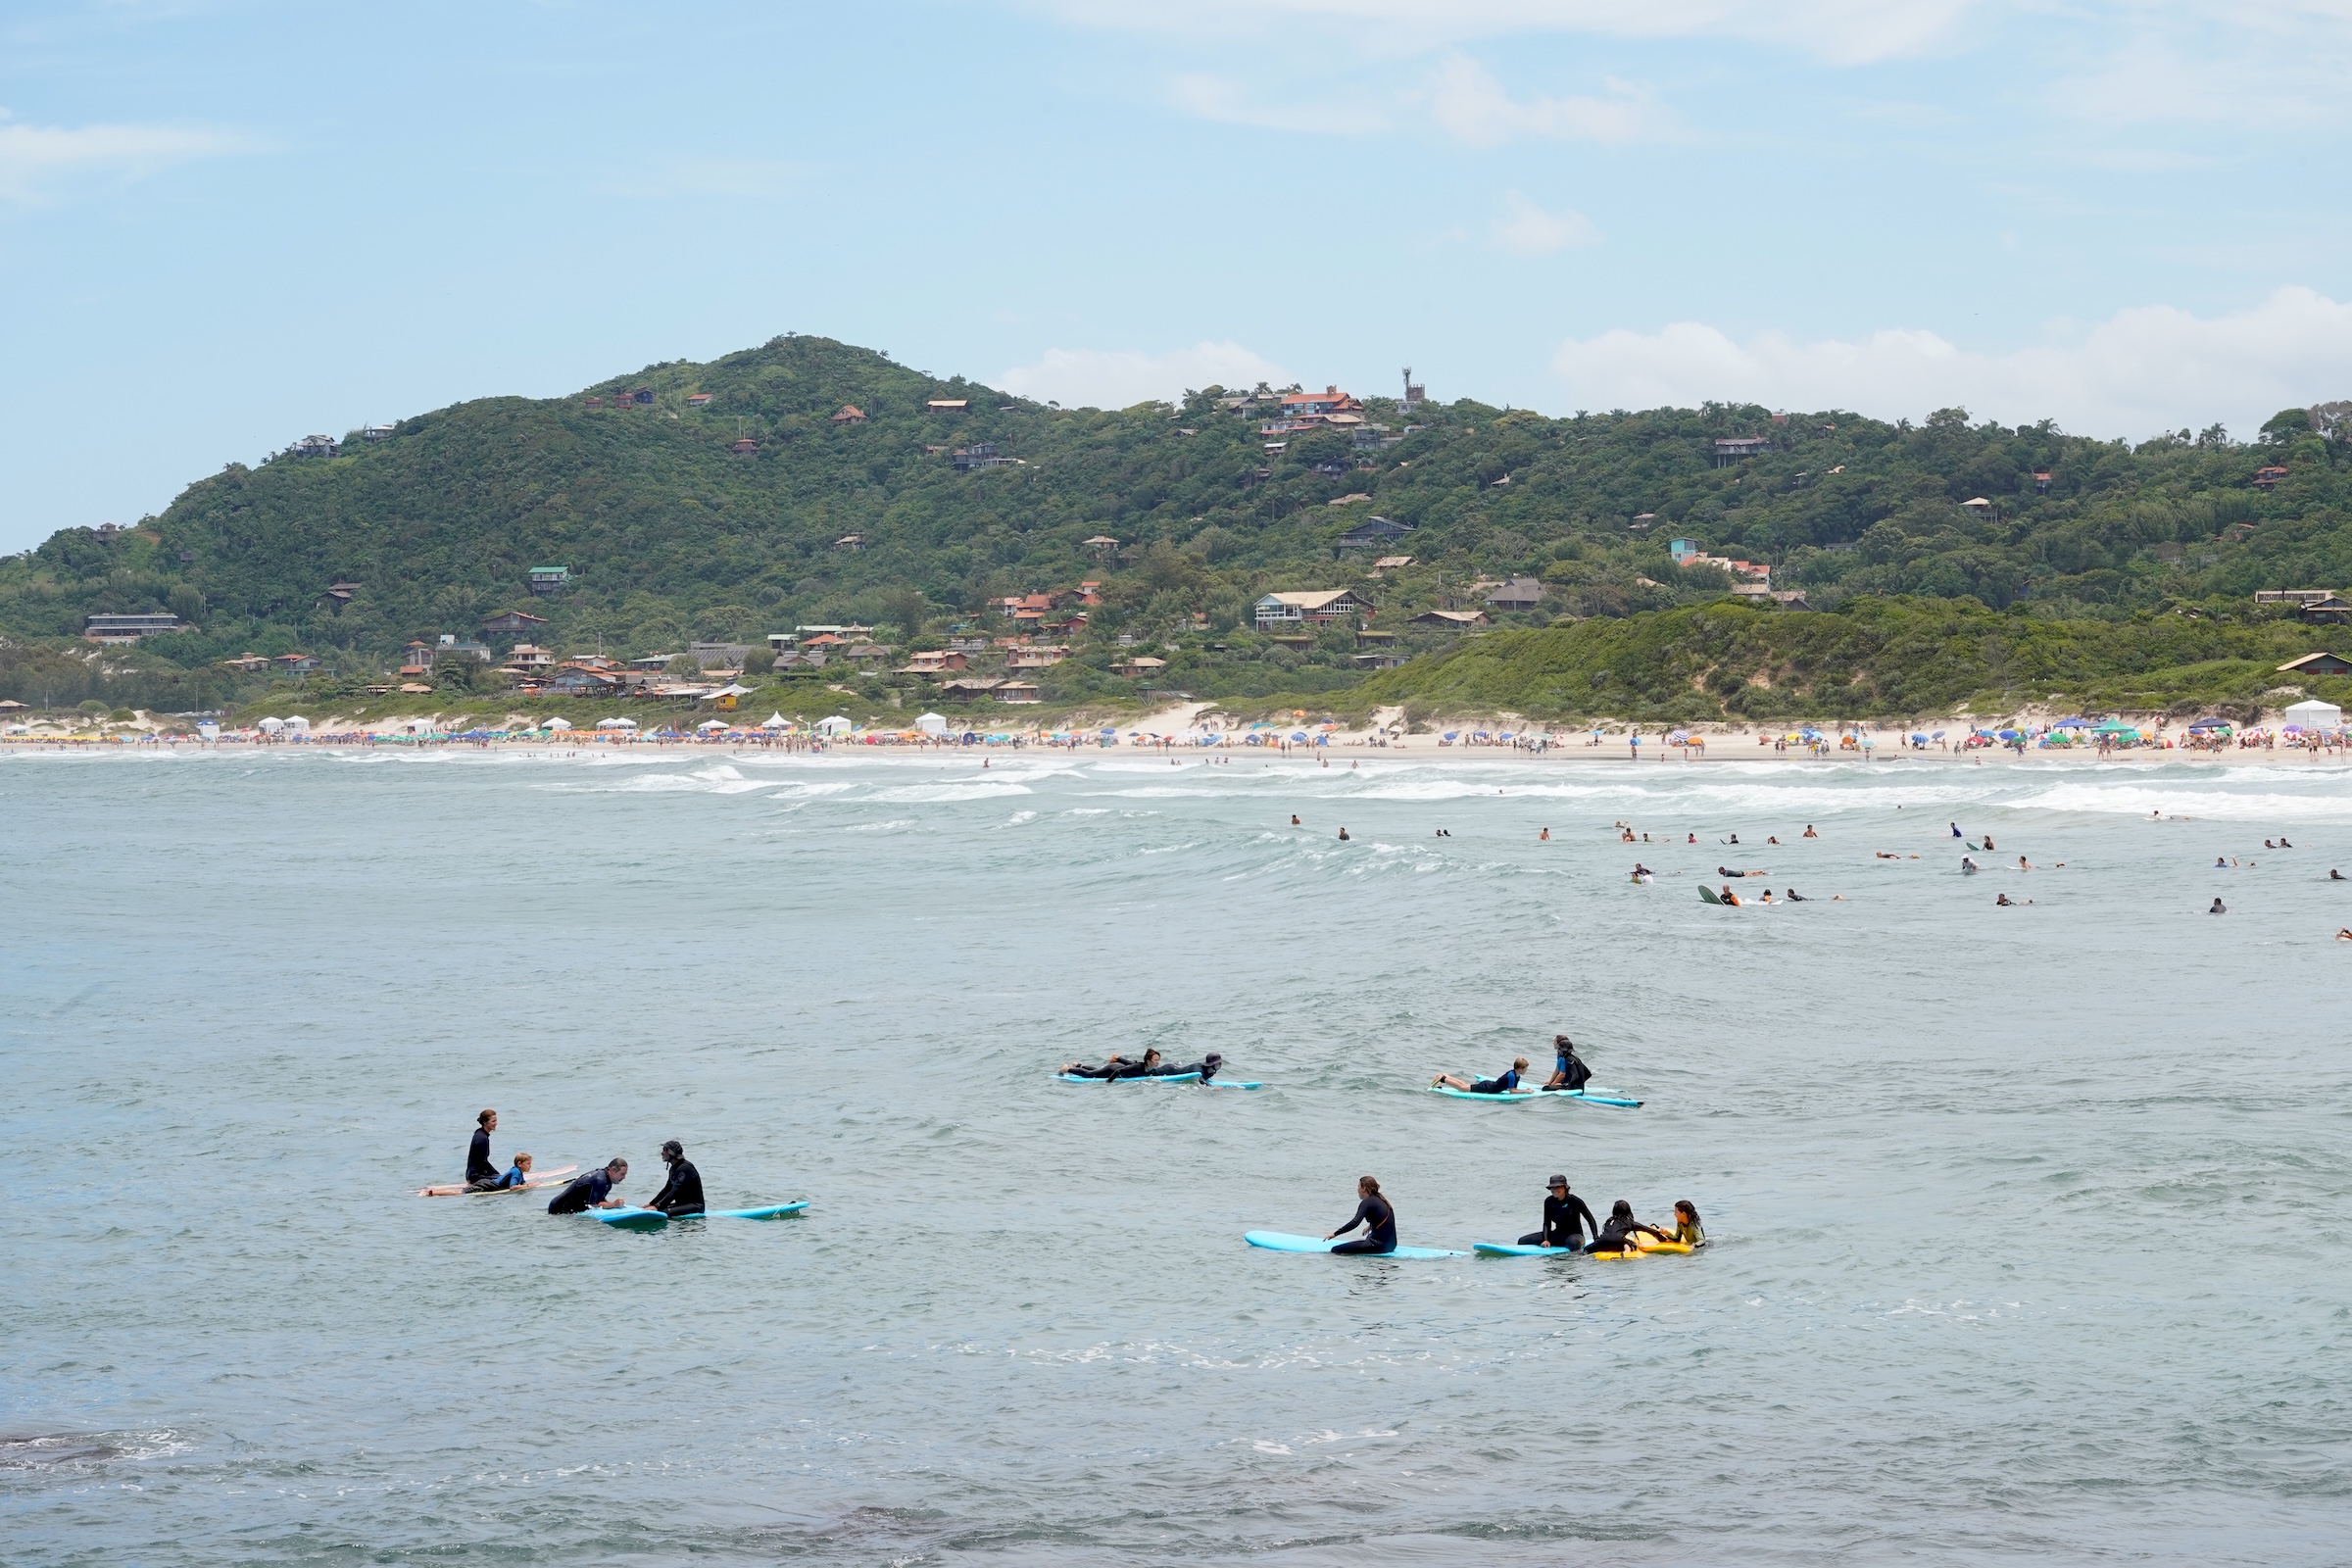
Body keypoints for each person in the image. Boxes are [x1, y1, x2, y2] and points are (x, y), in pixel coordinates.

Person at [1519, 1175, 1597, 1249]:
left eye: (1558, 1187)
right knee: (1522, 1241)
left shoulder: (1575, 1201)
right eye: (1552, 1187)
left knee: (1574, 1243)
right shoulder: (1549, 1201)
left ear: (1565, 1187)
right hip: (1557, 1234)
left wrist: (1596, 1238)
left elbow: (1590, 1219)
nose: (1555, 1190)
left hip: (1574, 1236)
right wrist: (1545, 1239)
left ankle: (1574, 1258)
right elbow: (1547, 1223)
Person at [1326, 1175, 1396, 1254]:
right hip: (1392, 1245)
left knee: (1335, 1250)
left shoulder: (1367, 1202)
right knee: (1369, 1236)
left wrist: (1335, 1234)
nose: (1357, 1189)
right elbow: (1383, 1217)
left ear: (1364, 1188)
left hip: (1379, 1246)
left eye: (1358, 1186)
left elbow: (1354, 1223)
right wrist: (1370, 1226)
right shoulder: (1381, 1199)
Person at [1586, 1200, 1672, 1254]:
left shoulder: (1609, 1220)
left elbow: (1608, 1233)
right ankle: (1627, 1250)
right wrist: (1662, 1239)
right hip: (1618, 1241)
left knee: (1586, 1249)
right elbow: (1647, 1229)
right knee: (1631, 1243)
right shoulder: (1628, 1222)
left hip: (1602, 1241)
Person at [547, 1158, 630, 1214]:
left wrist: (612, 1205)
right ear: (613, 1170)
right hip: (559, 1210)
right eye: (622, 1174)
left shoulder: (606, 1179)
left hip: (563, 1207)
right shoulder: (600, 1180)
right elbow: (593, 1205)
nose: (624, 1178)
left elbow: (598, 1200)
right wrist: (613, 1204)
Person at [646, 1140, 705, 1217]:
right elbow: (667, 1189)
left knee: (662, 1212)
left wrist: (657, 1206)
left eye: (664, 1150)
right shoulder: (674, 1168)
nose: (662, 1153)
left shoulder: (685, 1168)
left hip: (695, 1206)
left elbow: (675, 1191)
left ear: (671, 1153)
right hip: (682, 1204)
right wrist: (651, 1204)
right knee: (660, 1209)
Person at [1434, 1055, 1530, 1094]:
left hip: (1490, 1086)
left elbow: (1513, 1089)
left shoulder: (1517, 1075)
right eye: (1525, 1068)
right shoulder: (1512, 1076)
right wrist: (1526, 1091)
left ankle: (1447, 1076)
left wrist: (1523, 1091)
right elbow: (1512, 1091)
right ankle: (1442, 1079)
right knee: (1462, 1089)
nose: (1526, 1070)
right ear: (1520, 1069)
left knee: (1465, 1085)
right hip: (1487, 1087)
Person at [465, 1108, 503, 1192]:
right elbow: (482, 1162)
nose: (496, 1123)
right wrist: (499, 1175)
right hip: (476, 1176)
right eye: (493, 1121)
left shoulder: (480, 1134)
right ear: (485, 1122)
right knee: (504, 1181)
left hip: (473, 1174)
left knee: (500, 1177)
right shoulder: (482, 1138)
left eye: (496, 1121)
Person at [1060, 1054, 1135, 1078]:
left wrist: (1119, 1059)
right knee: (1090, 1074)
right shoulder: (1141, 1068)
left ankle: (1078, 1066)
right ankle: (1066, 1069)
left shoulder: (1141, 1065)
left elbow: (1132, 1064)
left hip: (1116, 1066)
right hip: (1114, 1068)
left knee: (1097, 1070)